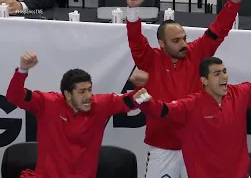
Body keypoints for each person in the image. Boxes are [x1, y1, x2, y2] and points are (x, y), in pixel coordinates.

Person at [131, 57, 251, 178]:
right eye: (217, 73)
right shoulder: (190, 105)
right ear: (204, 81)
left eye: (224, 71)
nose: (224, 77)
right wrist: (146, 101)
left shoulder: (241, 94)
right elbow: (163, 111)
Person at [126, 0, 241, 176]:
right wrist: (132, 11)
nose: (184, 44)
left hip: (196, 146)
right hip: (161, 148)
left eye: (184, 38)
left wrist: (233, 2)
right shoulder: (149, 59)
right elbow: (135, 40)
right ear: (162, 44)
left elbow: (219, 30)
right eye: (176, 41)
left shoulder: (197, 53)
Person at [6, 52, 146, 178]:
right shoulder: (47, 103)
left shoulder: (101, 104)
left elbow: (133, 100)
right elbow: (14, 96)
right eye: (82, 91)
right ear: (67, 94)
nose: (88, 96)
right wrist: (22, 70)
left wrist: (142, 87)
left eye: (90, 90)